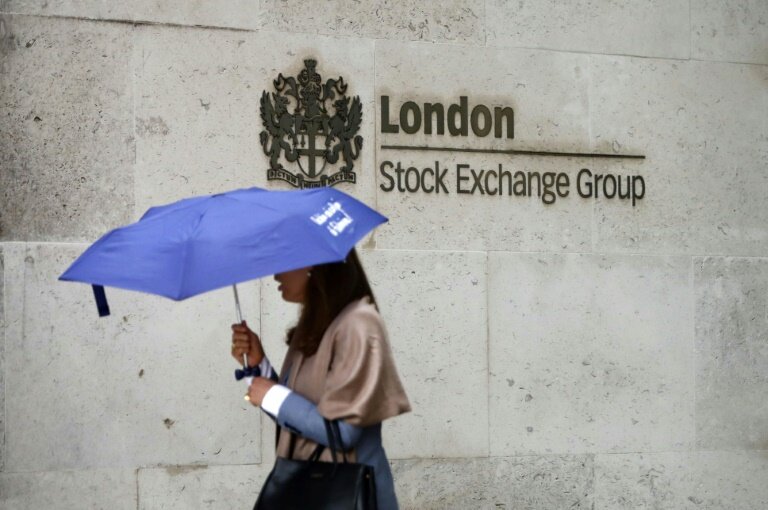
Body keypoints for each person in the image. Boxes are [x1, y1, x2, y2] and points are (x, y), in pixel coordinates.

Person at [230, 248, 411, 510]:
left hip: (349, 496)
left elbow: (344, 431)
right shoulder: (316, 325)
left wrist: (272, 396)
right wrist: (259, 364)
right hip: (310, 491)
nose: (275, 275)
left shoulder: (359, 324)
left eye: (283, 263)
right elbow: (298, 418)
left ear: (313, 266)